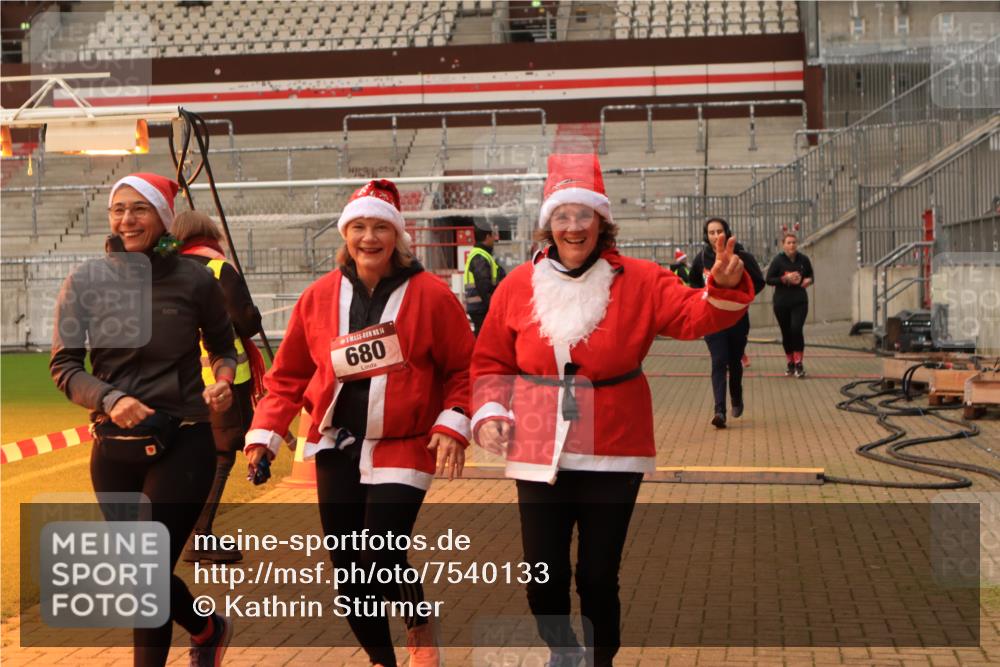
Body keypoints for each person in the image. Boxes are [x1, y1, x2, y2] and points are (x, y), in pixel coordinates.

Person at [470, 154, 755, 667]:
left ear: (601, 222)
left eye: (584, 216)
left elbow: (697, 316)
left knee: (597, 575)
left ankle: (601, 659)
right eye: (563, 216)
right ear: (548, 224)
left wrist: (726, 285)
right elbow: (490, 355)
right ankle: (563, 650)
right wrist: (490, 408)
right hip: (537, 442)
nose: (573, 227)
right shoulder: (516, 286)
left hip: (614, 445)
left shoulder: (641, 280)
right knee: (543, 577)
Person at [244, 179, 475, 667]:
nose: (369, 238)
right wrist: (262, 438)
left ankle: (416, 621)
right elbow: (287, 377)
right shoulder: (318, 296)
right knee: (349, 572)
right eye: (359, 228)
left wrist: (453, 420)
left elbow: (463, 368)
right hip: (337, 446)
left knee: (380, 556)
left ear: (397, 237)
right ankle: (380, 659)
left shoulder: (431, 295)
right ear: (345, 235)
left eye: (379, 228)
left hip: (405, 446)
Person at [50, 173, 238, 667]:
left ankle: (198, 635)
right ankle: (206, 627)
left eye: (140, 209)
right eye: (118, 209)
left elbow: (222, 346)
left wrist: (222, 377)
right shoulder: (85, 280)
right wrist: (110, 399)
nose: (127, 220)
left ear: (162, 217)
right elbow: (63, 365)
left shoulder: (196, 278)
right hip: (114, 445)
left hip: (186, 436)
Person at [172, 211, 266, 563]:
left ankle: (184, 532)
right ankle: (199, 535)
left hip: (179, 378)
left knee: (190, 452)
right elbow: (246, 321)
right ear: (209, 233)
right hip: (223, 377)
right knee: (222, 454)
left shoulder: (168, 270)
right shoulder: (217, 268)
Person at [689, 217, 766, 428]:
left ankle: (737, 396)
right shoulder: (701, 259)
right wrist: (702, 298)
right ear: (706, 235)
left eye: (719, 231)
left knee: (734, 360)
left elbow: (759, 282)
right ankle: (719, 411)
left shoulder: (741, 256)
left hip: (737, 318)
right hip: (712, 320)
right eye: (711, 232)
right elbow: (693, 284)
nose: (715, 236)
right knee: (718, 360)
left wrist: (741, 298)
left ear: (727, 232)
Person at [766, 232, 814, 378]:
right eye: (789, 242)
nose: (792, 245)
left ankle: (799, 363)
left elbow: (811, 275)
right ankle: (790, 363)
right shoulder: (778, 261)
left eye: (794, 242)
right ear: (783, 244)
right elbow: (768, 279)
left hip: (799, 301)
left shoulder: (803, 260)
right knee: (786, 333)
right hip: (781, 303)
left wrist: (808, 280)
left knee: (796, 329)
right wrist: (784, 278)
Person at [463, 221, 506, 335]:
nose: (495, 239)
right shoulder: (480, 256)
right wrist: (493, 307)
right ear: (487, 236)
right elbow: (483, 285)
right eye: (493, 235)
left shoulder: (481, 255)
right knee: (485, 339)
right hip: (481, 308)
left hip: (479, 307)